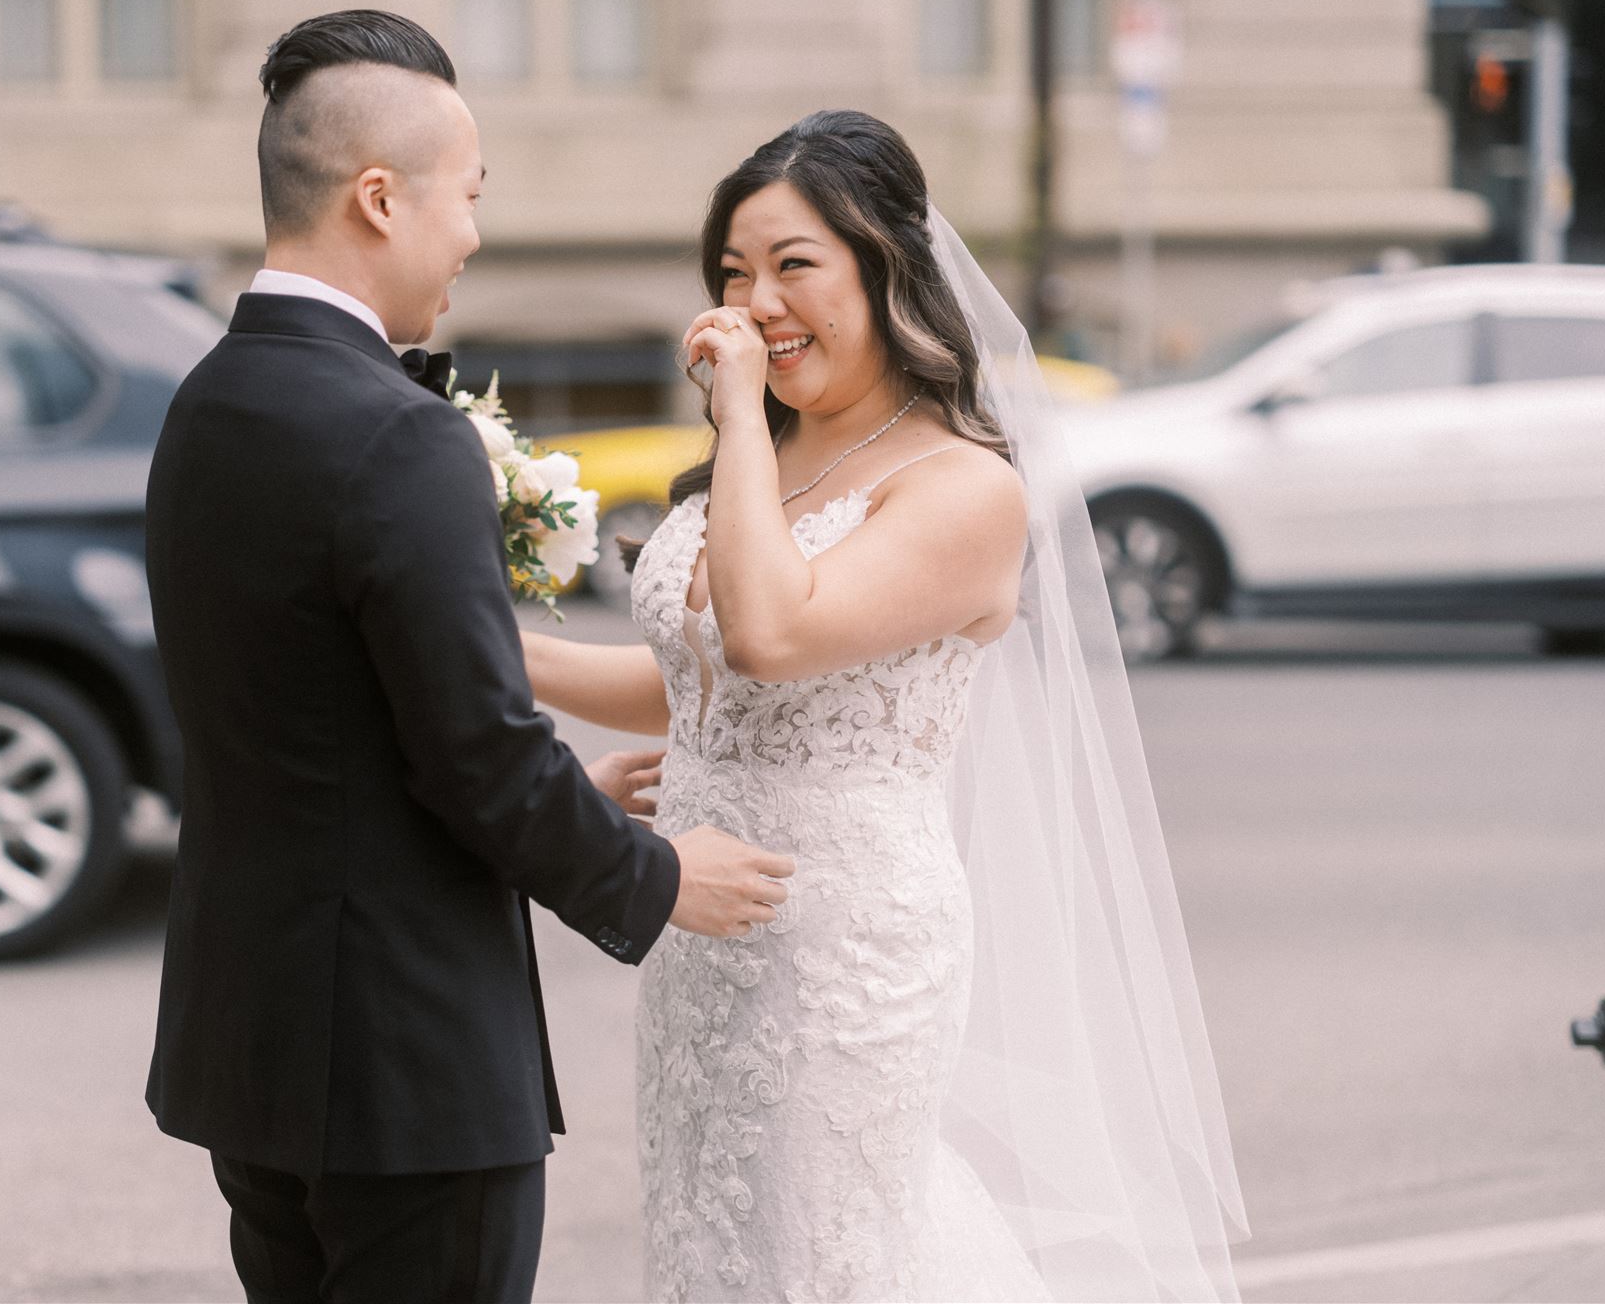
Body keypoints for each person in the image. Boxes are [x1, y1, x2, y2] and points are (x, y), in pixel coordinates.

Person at [524, 110, 1249, 1301]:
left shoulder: (961, 489)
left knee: (826, 1258)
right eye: (730, 274)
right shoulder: (769, 459)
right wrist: (478, 652)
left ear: (884, 269)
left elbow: (768, 636)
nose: (754, 301)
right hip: (702, 944)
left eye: (792, 266)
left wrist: (739, 419)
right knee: (715, 1244)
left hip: (841, 955)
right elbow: (696, 688)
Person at [142, 9, 795, 1304]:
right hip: (403, 1071)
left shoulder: (204, 403)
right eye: (470, 197)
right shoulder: (396, 434)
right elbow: (478, 757)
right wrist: (656, 877)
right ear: (380, 199)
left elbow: (317, 716)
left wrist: (561, 794)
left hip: (256, 1047)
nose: (475, 236)